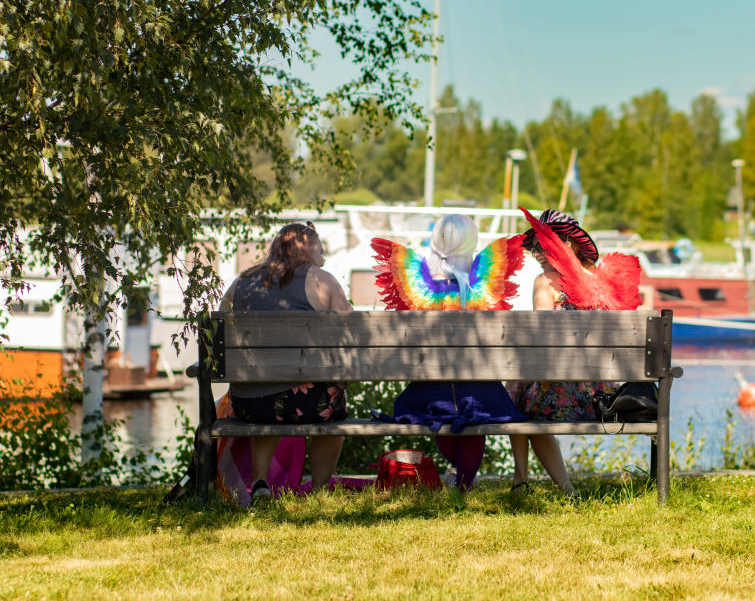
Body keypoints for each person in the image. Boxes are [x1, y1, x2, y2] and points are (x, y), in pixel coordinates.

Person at [371, 214, 527, 490]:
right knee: (475, 410)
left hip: (429, 391)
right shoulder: (480, 290)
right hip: (479, 389)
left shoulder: (419, 288)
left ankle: (459, 476)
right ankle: (463, 481)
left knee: (443, 411)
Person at [508, 208, 643, 496]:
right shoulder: (606, 282)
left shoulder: (545, 283)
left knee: (517, 403)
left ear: (566, 245)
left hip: (560, 396)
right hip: (604, 396)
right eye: (534, 247)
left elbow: (540, 338)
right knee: (521, 392)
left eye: (542, 245)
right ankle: (531, 484)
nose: (537, 253)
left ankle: (530, 483)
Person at [219, 221, 352, 500]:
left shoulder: (242, 280)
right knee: (333, 404)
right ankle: (318, 490)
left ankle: (260, 483)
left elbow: (220, 327)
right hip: (307, 404)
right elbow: (351, 335)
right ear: (306, 248)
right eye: (320, 247)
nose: (324, 254)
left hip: (247, 403)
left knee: (268, 391)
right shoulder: (322, 280)